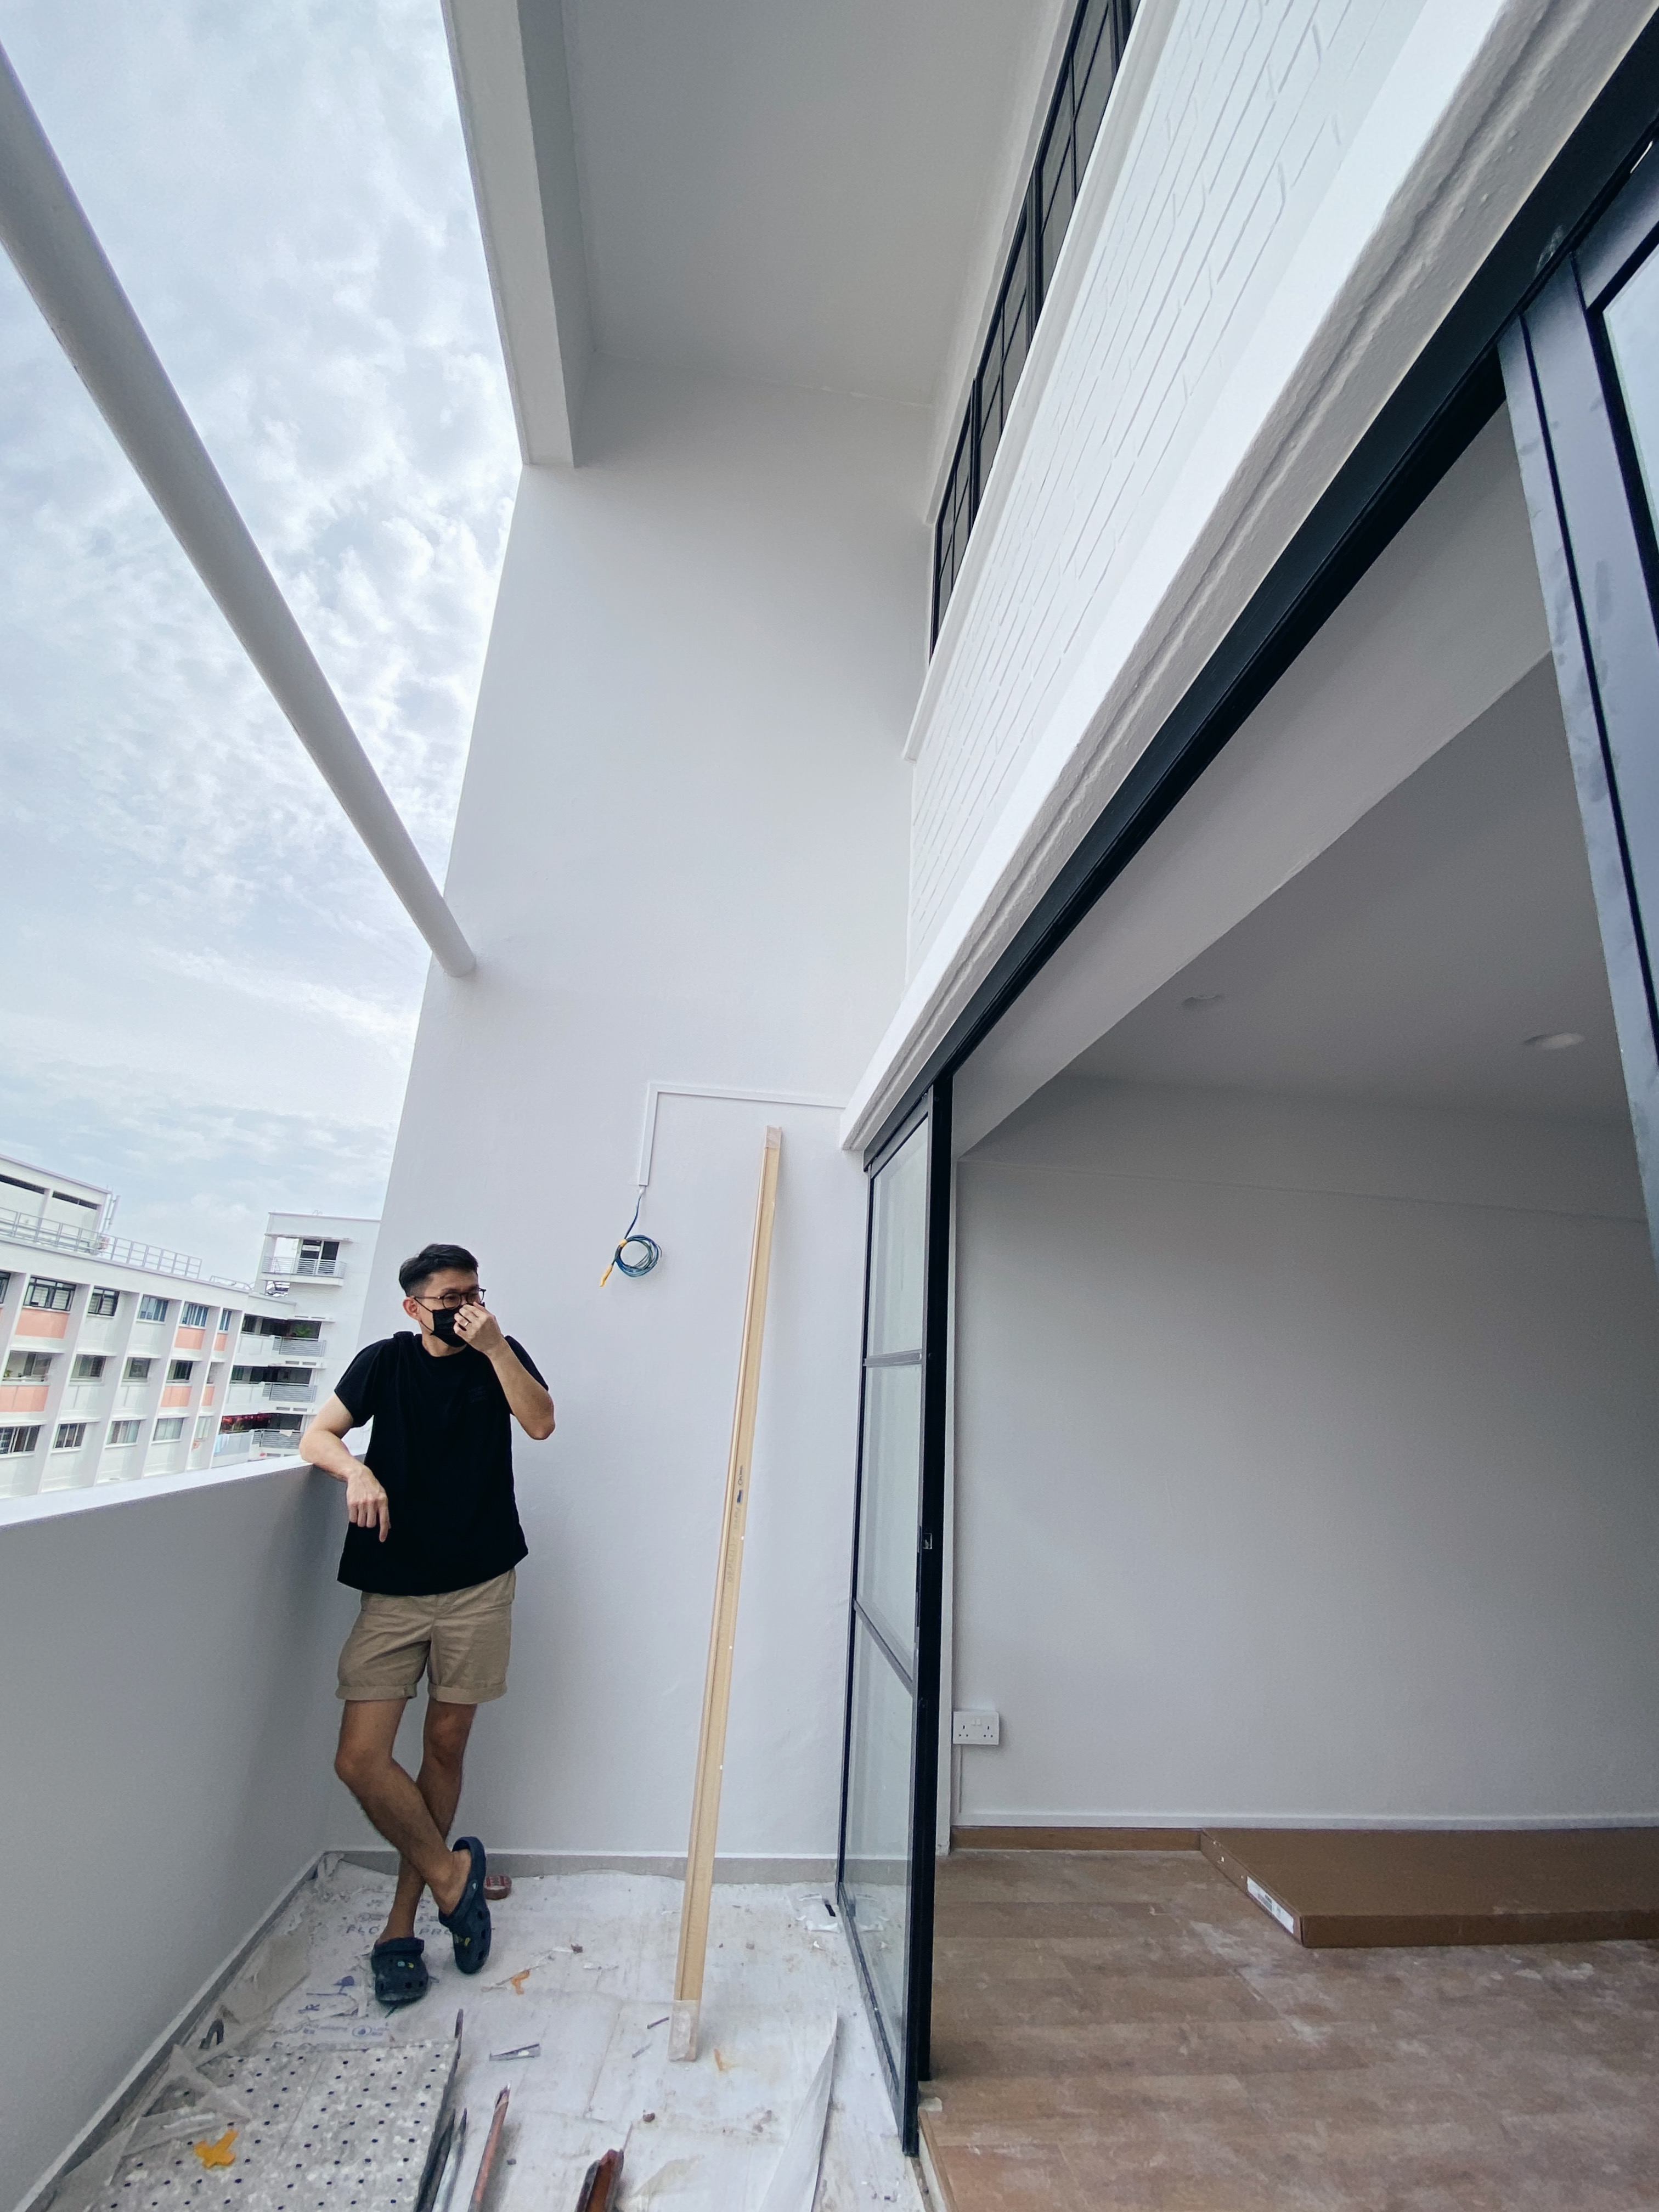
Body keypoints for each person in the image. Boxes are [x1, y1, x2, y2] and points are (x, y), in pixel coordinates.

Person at [300, 1242, 555, 2009]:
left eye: (473, 1291)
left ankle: (401, 1925)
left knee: (444, 1744)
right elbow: (317, 1436)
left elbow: (541, 1423)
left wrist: (495, 1346)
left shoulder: (496, 1353)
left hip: (479, 1583)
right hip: (393, 1588)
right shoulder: (384, 1362)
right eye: (449, 1297)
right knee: (361, 1760)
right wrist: (358, 1469)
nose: (465, 1305)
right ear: (415, 1307)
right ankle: (454, 1877)